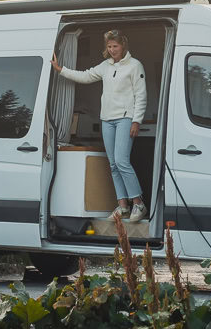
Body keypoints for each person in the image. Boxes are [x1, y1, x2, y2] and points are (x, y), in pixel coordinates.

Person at [52, 28, 148, 222]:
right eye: (110, 46)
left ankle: (138, 203)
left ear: (123, 46)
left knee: (122, 161)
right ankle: (123, 207)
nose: (113, 50)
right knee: (113, 164)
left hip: (125, 118)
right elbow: (85, 76)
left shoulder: (135, 65)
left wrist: (136, 120)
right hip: (107, 119)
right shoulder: (105, 66)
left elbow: (141, 95)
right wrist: (61, 70)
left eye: (116, 46)